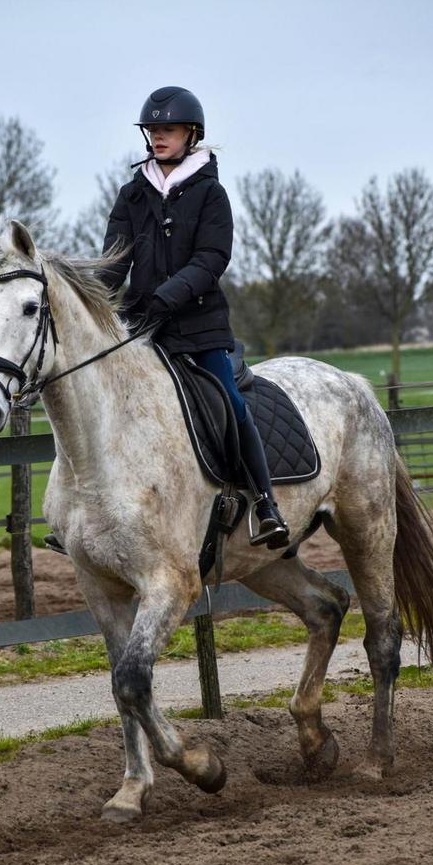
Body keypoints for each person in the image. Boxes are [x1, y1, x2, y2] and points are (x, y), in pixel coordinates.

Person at [97, 85, 290, 549]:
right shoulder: (131, 196)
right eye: (154, 130)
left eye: (169, 129)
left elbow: (211, 259)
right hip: (144, 328)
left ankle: (265, 503)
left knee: (230, 401)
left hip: (200, 327)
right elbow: (114, 260)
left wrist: (166, 297)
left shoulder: (210, 193)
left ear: (191, 134)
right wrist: (97, 301)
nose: (159, 137)